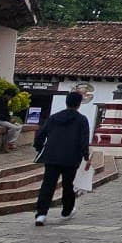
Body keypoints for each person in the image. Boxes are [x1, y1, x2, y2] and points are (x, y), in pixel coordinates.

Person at [33, 92, 92, 227]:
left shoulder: (54, 118)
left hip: (52, 155)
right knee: (68, 184)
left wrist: (39, 148)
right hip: (71, 157)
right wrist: (86, 156)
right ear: (79, 104)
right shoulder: (81, 120)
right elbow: (84, 140)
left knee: (48, 184)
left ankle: (41, 214)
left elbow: (41, 134)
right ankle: (66, 210)